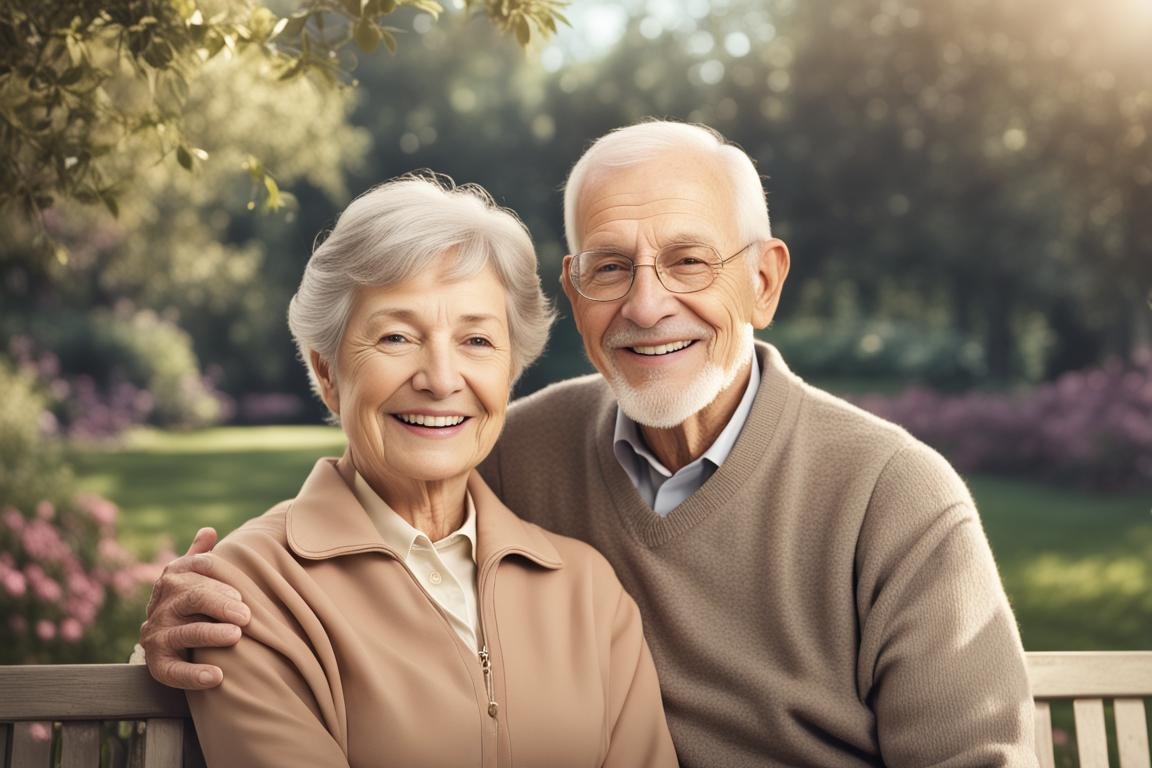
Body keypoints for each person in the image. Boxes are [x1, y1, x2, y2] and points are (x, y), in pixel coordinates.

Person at [140, 122, 1037, 767]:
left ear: (763, 282)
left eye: (689, 262)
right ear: (574, 293)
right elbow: (359, 509)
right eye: (611, 267)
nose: (647, 305)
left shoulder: (893, 497)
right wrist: (184, 625)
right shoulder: (509, 450)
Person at [171, 174, 677, 767]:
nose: (440, 379)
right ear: (329, 373)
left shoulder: (589, 594)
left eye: (478, 341)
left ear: (510, 373)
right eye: (396, 336)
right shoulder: (249, 592)